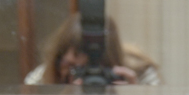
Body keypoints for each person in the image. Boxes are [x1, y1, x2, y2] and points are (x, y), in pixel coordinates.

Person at [25, 13, 160, 86]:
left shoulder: (141, 73)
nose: (86, 79)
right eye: (71, 68)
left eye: (85, 69)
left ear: (108, 63)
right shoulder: (42, 78)